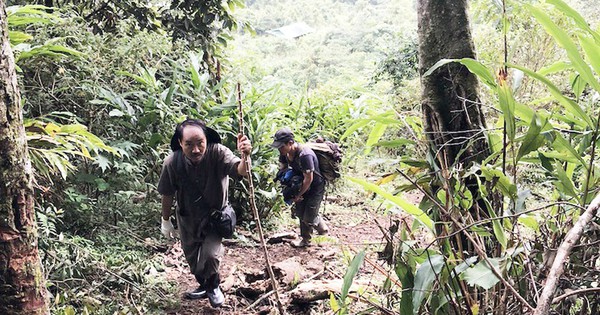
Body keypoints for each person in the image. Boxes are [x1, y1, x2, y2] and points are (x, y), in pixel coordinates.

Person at [158, 118, 252, 307]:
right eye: (189, 144)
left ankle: (213, 286)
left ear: (206, 140)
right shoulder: (172, 163)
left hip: (215, 218)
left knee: (210, 256)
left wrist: (246, 156)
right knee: (194, 261)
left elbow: (241, 170)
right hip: (188, 219)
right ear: (180, 143)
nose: (196, 150)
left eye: (200, 143)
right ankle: (204, 284)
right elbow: (167, 193)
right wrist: (165, 220)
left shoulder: (218, 153)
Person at [271, 127, 329, 247]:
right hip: (301, 184)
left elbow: (309, 179)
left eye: (281, 146)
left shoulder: (305, 155)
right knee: (301, 213)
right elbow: (283, 168)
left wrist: (298, 195)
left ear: (290, 143)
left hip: (315, 187)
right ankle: (314, 234)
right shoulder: (285, 153)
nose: (279, 149)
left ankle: (313, 235)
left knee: (308, 217)